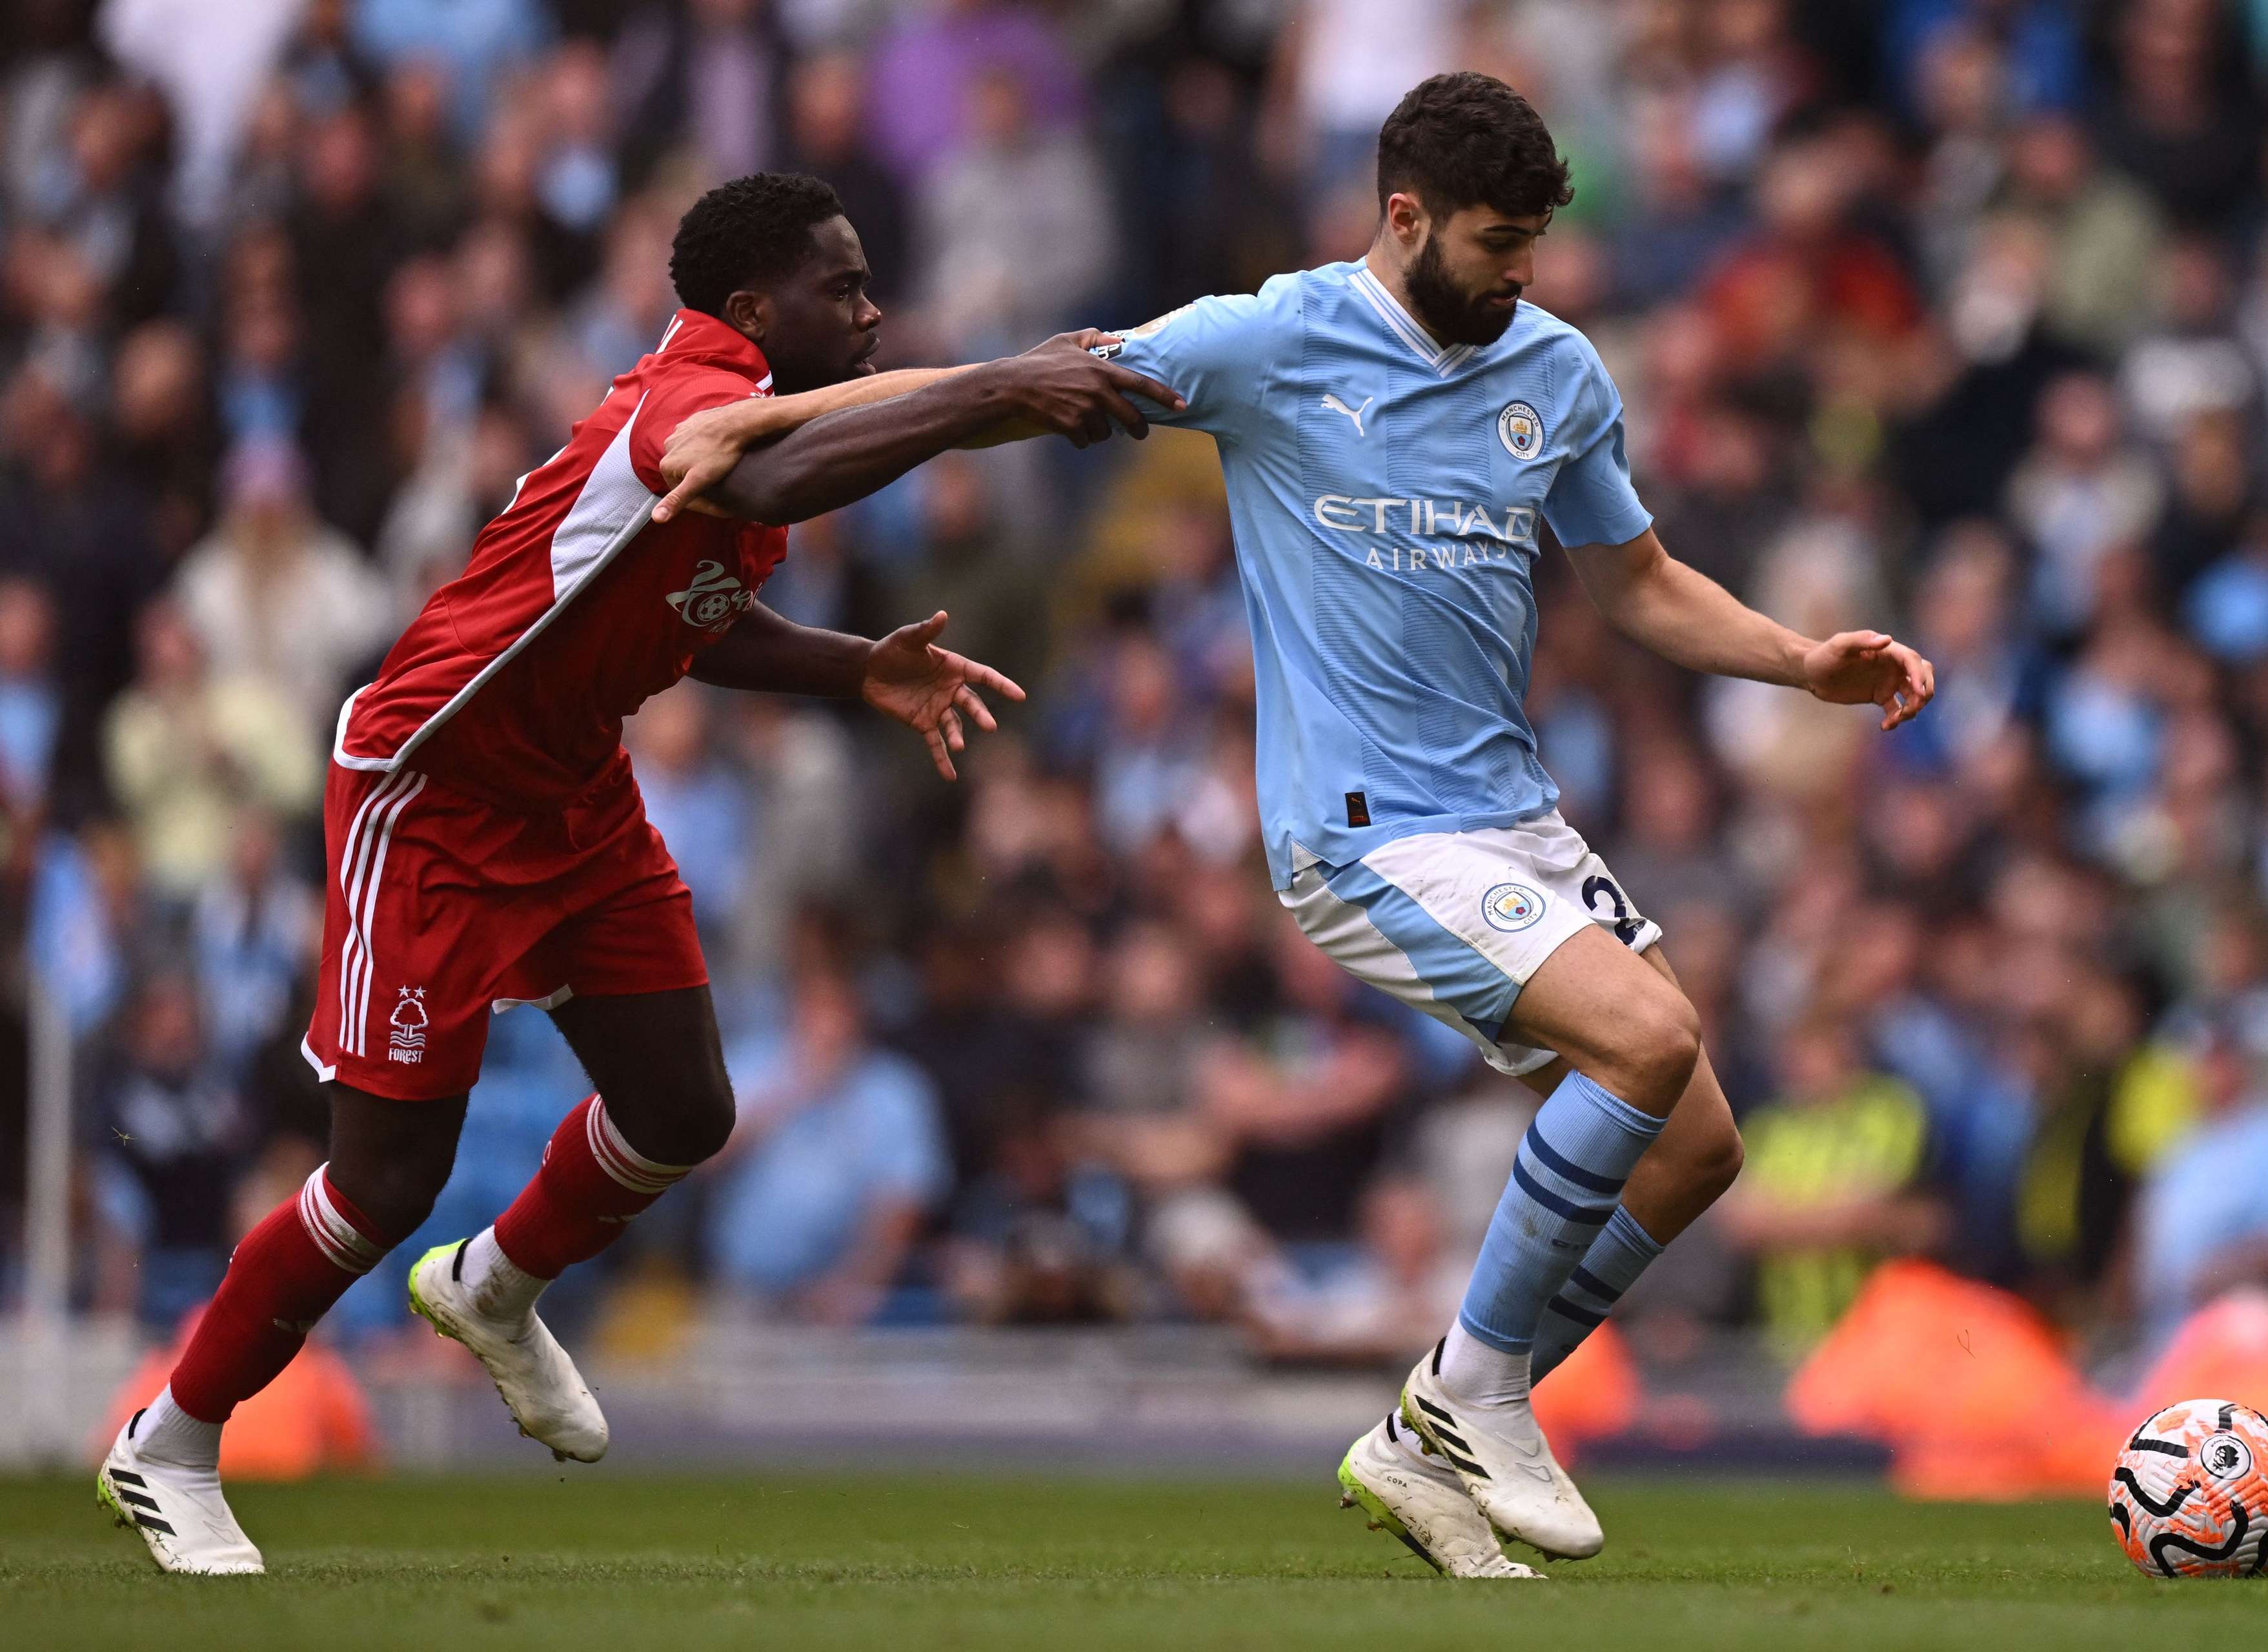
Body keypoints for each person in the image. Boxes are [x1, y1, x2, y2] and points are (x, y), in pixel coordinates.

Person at [667, 74, 1937, 1581]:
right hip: (1360, 829)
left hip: (1509, 820)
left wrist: (1799, 658)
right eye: (1495, 240)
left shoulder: (1560, 370)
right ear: (1404, 217)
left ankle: (1431, 1428)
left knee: (1699, 1147)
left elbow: (1640, 580)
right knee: (1649, 1048)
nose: (1520, 270)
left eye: (1533, 241)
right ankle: (1475, 1392)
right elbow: (1018, 383)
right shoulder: (1270, 339)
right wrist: (772, 417)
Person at [96, 170, 1180, 1577]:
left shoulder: (750, 423)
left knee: (682, 1103)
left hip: (572, 787)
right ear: (751, 312)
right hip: (430, 793)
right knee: (383, 1179)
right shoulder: (685, 400)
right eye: (841, 290)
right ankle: (170, 1435)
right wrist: (997, 390)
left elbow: (693, 617)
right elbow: (771, 473)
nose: (868, 311)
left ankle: (496, 1287)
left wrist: (858, 666)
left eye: (866, 287)